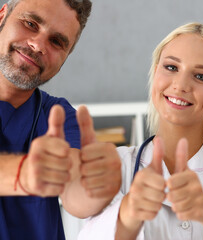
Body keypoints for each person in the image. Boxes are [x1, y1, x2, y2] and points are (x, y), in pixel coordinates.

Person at [78, 22, 203, 240]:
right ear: (155, 73)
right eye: (171, 67)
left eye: (201, 76)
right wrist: (127, 213)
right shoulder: (116, 165)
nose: (181, 85)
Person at [0, 0, 121, 239]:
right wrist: (24, 174)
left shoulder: (59, 116)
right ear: (2, 15)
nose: (37, 45)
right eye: (30, 23)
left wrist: (96, 187)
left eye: (56, 41)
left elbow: (78, 197)